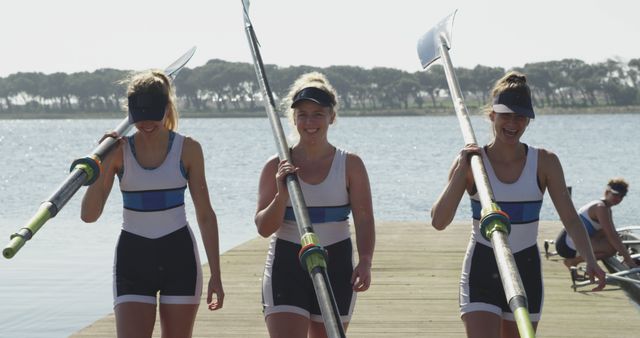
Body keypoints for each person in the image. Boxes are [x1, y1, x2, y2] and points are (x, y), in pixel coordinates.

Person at [430, 71, 606, 338]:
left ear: (528, 121)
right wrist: (461, 169)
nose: (513, 124)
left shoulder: (545, 162)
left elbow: (570, 219)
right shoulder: (473, 164)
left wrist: (591, 259)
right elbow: (439, 221)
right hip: (482, 265)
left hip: (525, 268)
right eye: (506, 115)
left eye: (520, 117)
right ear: (492, 116)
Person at [80, 70, 224, 338]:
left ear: (167, 108)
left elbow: (205, 215)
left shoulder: (189, 149)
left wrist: (216, 274)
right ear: (130, 113)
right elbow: (89, 215)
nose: (146, 125)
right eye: (140, 119)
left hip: (179, 258)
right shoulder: (118, 151)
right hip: (133, 260)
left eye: (153, 117)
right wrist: (101, 162)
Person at [255, 71, 375, 338]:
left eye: (318, 114)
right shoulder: (275, 166)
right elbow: (264, 228)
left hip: (337, 263)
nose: (310, 122)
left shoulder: (350, 165)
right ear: (293, 118)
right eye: (303, 114)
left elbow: (364, 218)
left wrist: (365, 260)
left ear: (332, 116)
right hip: (287, 262)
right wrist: (281, 194)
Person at [555, 178, 637, 269]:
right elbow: (612, 235)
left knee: (610, 237)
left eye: (621, 196)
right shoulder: (600, 208)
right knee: (611, 249)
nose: (618, 198)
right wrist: (628, 258)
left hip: (569, 240)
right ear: (607, 192)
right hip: (566, 245)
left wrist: (619, 244)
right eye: (615, 195)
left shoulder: (603, 207)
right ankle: (572, 261)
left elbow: (610, 233)